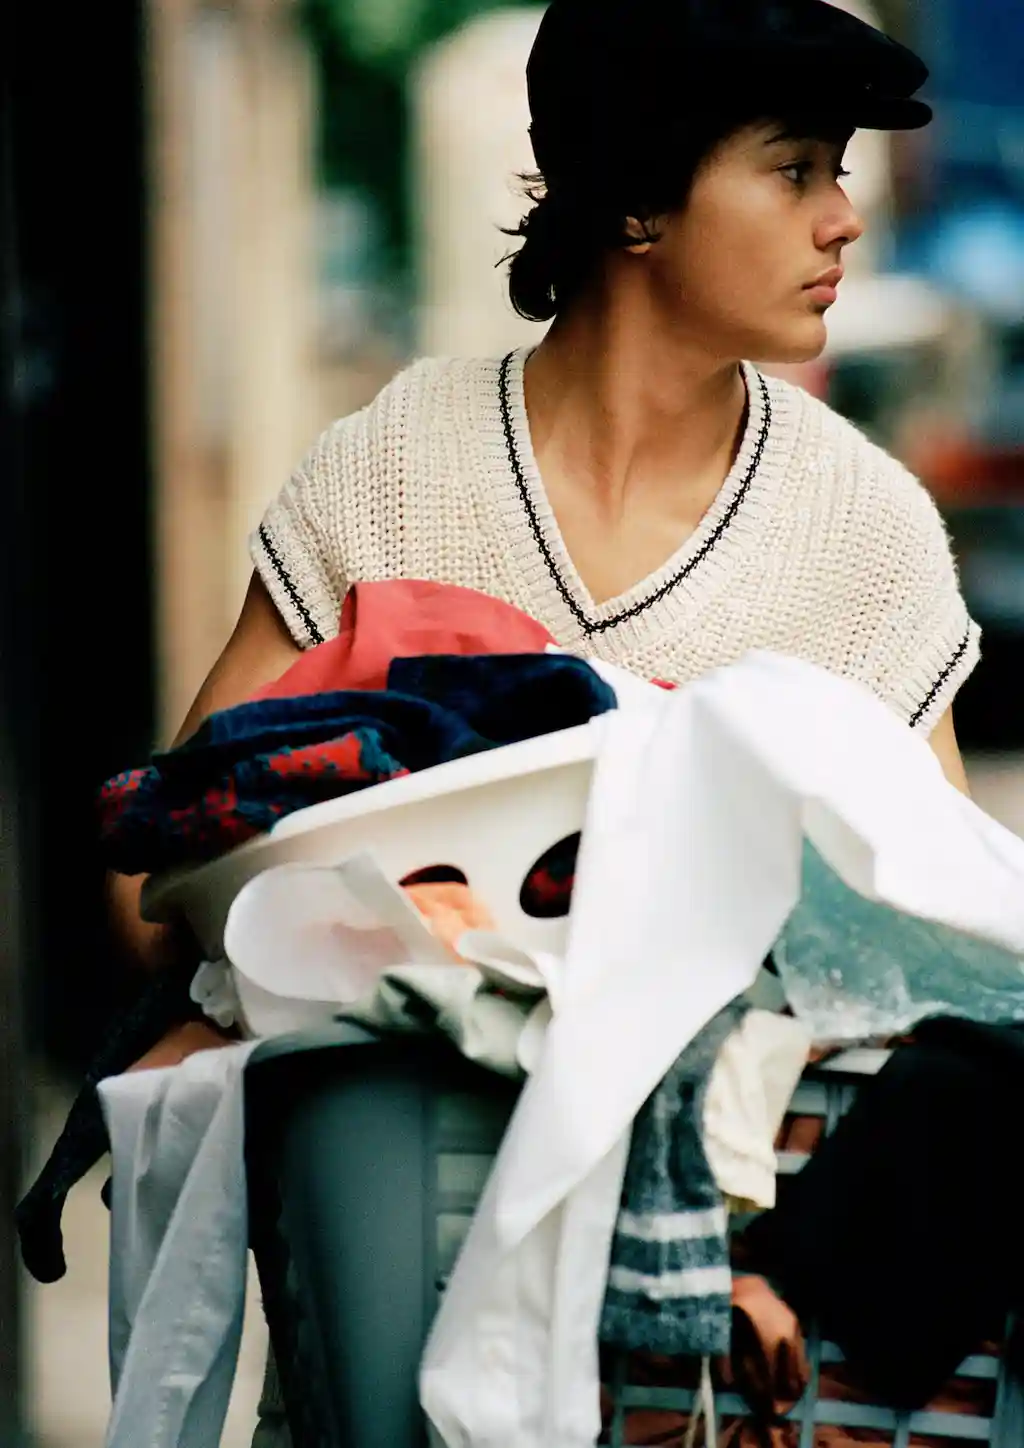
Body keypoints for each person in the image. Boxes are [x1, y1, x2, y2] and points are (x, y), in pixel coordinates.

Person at [105, 0, 980, 1438]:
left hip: (716, 1382)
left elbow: (954, 954)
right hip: (388, 1330)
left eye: (838, 173)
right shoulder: (397, 466)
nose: (844, 220)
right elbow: (166, 870)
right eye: (794, 170)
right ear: (636, 198)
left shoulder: (863, 532)